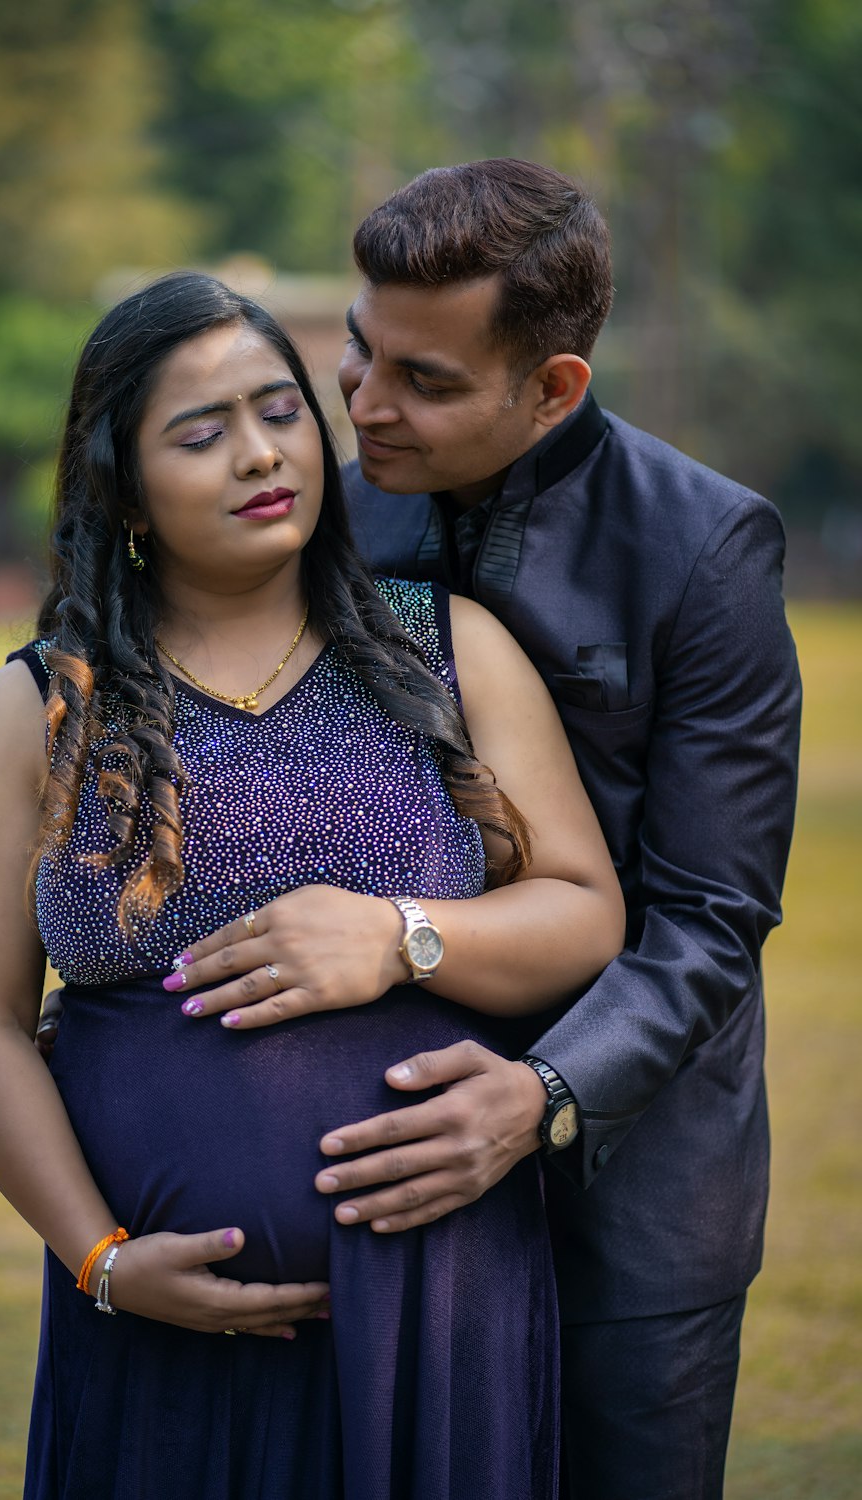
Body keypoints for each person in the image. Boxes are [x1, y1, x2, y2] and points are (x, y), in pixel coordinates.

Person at [0, 270, 625, 1499]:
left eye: (280, 410)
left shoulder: (448, 648)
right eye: (202, 433)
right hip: (158, 1326)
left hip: (437, 1303)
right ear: (123, 484)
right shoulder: (40, 707)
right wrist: (101, 1260)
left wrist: (404, 936)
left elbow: (583, 908)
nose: (260, 454)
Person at [302, 159, 800, 1500]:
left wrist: (545, 1095)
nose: (364, 402)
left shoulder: (706, 552)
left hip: (633, 1201)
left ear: (554, 387)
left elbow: (711, 916)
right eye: (361, 352)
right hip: (365, 1154)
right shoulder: (335, 513)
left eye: (427, 381)